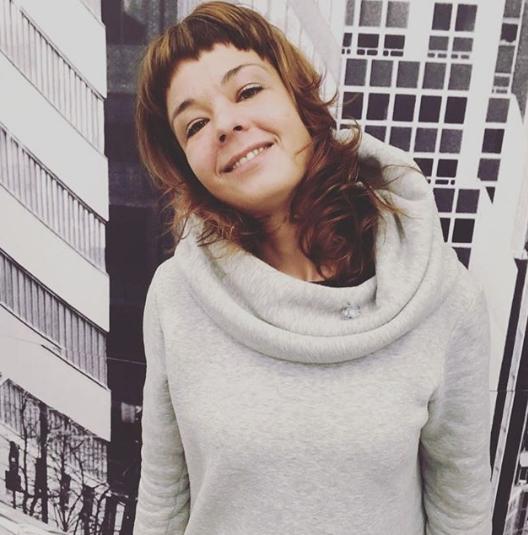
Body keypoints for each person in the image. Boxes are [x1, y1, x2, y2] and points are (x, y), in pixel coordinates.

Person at [132, 2, 492, 534]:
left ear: (299, 99)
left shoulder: (445, 297)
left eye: (247, 91)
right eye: (195, 125)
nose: (226, 124)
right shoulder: (175, 296)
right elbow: (163, 501)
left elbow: (460, 511)